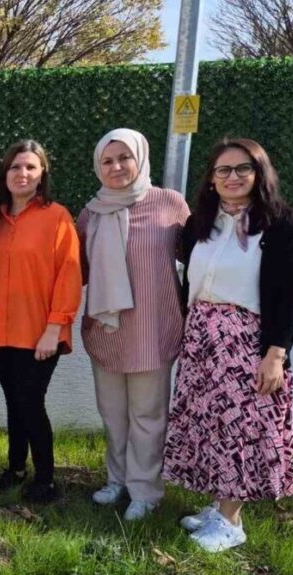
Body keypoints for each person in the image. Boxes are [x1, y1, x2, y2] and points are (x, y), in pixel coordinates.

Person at [163, 138, 293, 552]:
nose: (232, 177)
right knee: (210, 425)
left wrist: (275, 354)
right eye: (222, 170)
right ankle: (218, 506)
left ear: (259, 173)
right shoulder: (199, 224)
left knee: (241, 428)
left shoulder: (282, 227)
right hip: (202, 339)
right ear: (211, 178)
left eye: (242, 168)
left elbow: (288, 297)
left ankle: (231, 521)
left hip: (245, 342)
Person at [77, 129, 190, 521]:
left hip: (152, 328)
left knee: (148, 414)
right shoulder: (90, 213)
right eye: (107, 161)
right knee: (113, 412)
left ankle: (145, 490)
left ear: (140, 158)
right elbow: (76, 270)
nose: (117, 167)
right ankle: (117, 479)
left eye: (124, 157)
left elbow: (197, 256)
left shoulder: (169, 204)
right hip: (106, 329)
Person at [0, 140, 81, 502]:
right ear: (4, 175)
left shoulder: (57, 217)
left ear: (42, 175)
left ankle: (46, 479)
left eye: (30, 167)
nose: (22, 174)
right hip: (0, 330)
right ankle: (15, 469)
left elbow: (69, 275)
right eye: (15, 167)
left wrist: (55, 328)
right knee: (13, 401)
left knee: (30, 402)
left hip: (40, 332)